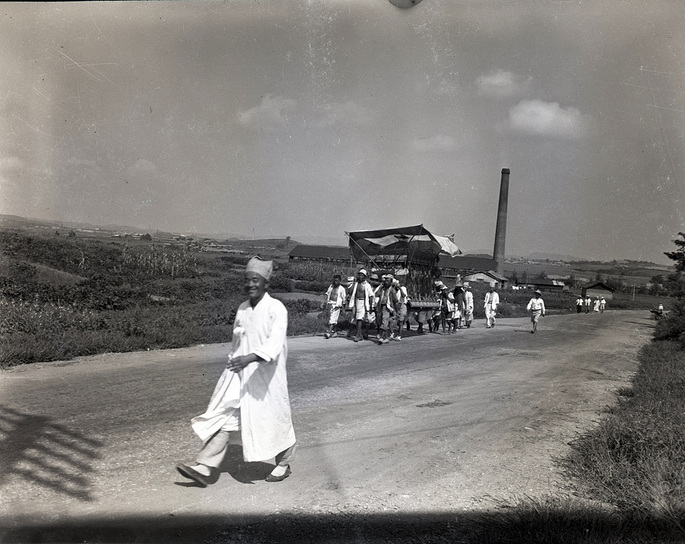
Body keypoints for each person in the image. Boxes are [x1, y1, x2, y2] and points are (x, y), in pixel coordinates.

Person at [177, 257, 297, 486]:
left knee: (274, 419)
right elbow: (236, 342)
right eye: (248, 280)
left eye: (256, 280)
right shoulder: (243, 309)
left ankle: (283, 463)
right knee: (228, 417)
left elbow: (274, 344)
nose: (251, 284)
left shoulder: (276, 309)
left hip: (268, 379)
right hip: (241, 377)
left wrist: (249, 359)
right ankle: (204, 466)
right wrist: (233, 365)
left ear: (266, 284)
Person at [347, 269, 375, 342]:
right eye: (359, 274)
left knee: (359, 319)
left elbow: (371, 296)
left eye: (362, 275)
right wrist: (353, 282)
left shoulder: (367, 285)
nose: (360, 276)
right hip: (356, 302)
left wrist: (371, 307)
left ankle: (358, 335)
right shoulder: (356, 284)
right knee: (355, 319)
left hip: (363, 303)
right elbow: (350, 291)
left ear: (365, 276)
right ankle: (359, 335)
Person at [374, 274, 396, 344]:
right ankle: (386, 337)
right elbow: (376, 294)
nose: (386, 282)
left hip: (388, 308)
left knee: (384, 322)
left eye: (388, 280)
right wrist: (380, 287)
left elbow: (395, 300)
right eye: (385, 280)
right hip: (381, 306)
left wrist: (395, 310)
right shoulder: (382, 289)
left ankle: (381, 338)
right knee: (380, 321)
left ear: (391, 282)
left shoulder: (392, 290)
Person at [323, 274, 347, 339]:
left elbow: (344, 299)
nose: (335, 282)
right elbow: (327, 294)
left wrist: (343, 308)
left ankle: (329, 332)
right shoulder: (331, 287)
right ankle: (335, 332)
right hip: (330, 303)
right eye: (334, 280)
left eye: (337, 281)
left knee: (332, 319)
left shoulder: (342, 289)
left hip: (336, 305)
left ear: (339, 281)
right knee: (332, 319)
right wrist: (324, 303)